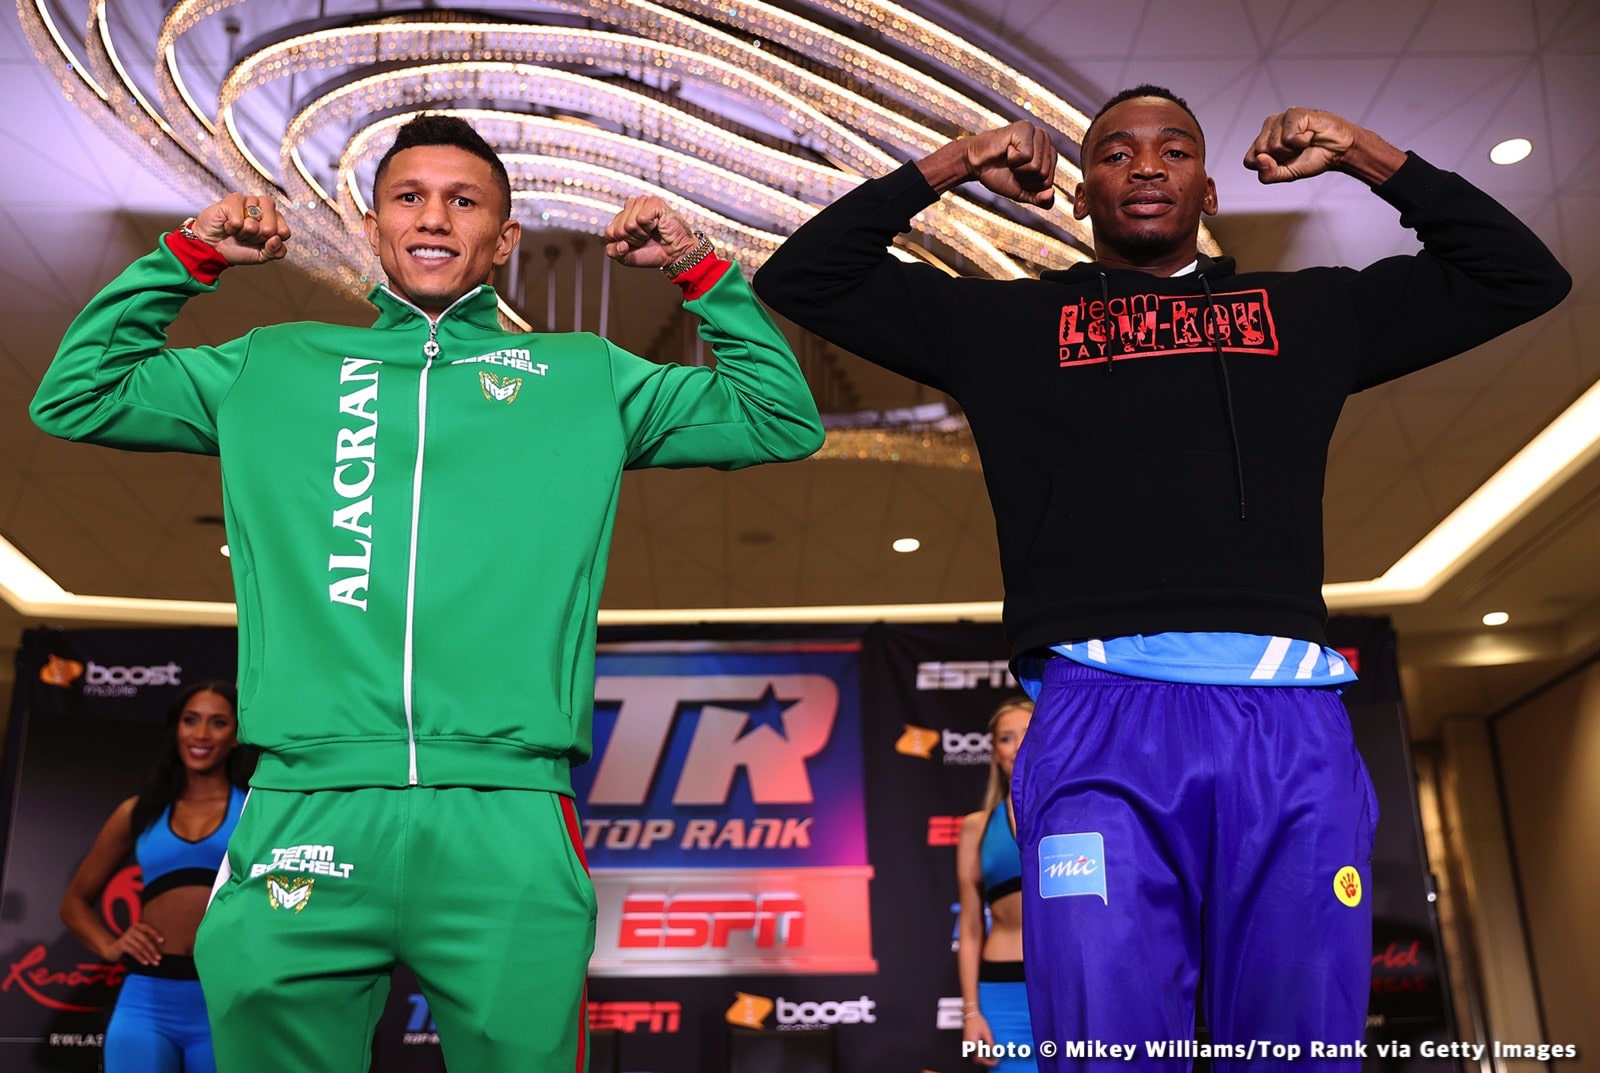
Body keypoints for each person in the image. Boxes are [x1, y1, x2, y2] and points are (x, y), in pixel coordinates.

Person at [755, 87, 1570, 1069]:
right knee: (1109, 1047)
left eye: (1172, 150)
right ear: (1078, 191)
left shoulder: (1301, 312)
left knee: (1293, 1052)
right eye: (1115, 153)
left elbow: (1518, 275)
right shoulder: (1006, 325)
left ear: (1208, 187)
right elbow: (807, 277)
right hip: (1102, 716)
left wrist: (1362, 151)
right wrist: (959, 159)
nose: (1145, 166)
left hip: (1284, 721)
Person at [32, 114, 824, 1073]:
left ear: (504, 238)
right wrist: (188, 258)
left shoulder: (582, 376)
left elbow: (780, 418)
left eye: (464, 200)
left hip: (505, 808)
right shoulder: (273, 365)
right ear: (374, 227)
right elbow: (73, 392)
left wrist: (701, 271)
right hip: (305, 803)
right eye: (409, 196)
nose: (435, 217)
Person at [60, 681, 251, 1073]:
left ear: (236, 736)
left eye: (218, 723)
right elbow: (73, 903)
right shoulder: (139, 811)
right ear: (176, 729)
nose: (200, 734)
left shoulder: (253, 811)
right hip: (145, 1001)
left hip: (222, 1001)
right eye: (190, 720)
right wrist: (112, 946)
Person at [955, 698, 1035, 1072]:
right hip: (1003, 993)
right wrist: (971, 1012)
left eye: (1028, 732)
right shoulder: (977, 827)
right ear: (994, 752)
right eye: (1006, 737)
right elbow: (970, 929)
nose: (1018, 745)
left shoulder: (1083, 814)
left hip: (1073, 988)